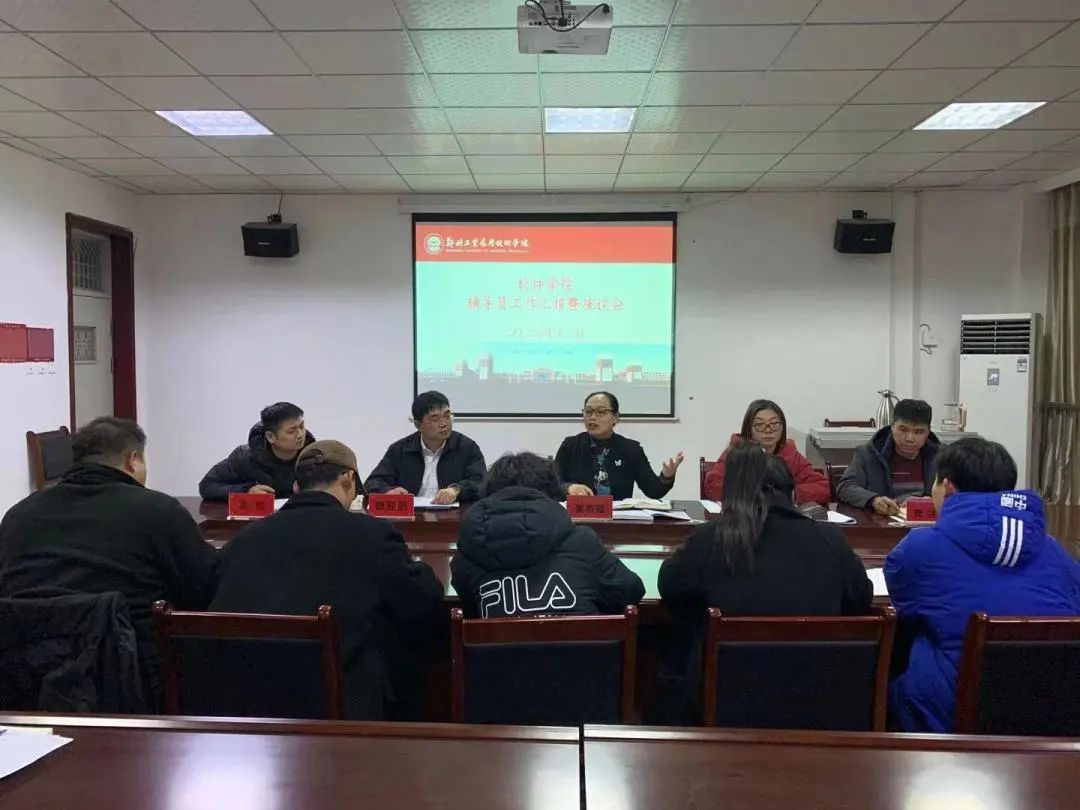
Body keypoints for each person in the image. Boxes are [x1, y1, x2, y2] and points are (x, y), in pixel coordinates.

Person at [210, 440, 444, 720]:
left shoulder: (245, 538)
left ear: (296, 486)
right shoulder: (371, 536)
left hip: (245, 703)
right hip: (337, 708)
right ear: (347, 479)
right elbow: (424, 600)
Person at [0, 417, 218, 699]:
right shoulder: (158, 511)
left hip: (23, 687)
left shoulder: (18, 516)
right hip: (134, 687)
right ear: (132, 460)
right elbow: (204, 593)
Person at [885, 438, 1080, 733]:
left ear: (947, 487)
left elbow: (906, 609)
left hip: (951, 716)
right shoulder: (1055, 550)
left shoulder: (920, 548)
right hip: (1054, 712)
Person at [660, 444, 872, 616]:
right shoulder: (829, 539)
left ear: (732, 496)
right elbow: (860, 598)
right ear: (792, 495)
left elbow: (670, 588)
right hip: (819, 657)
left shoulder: (709, 538)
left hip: (728, 657)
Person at [451, 452, 645, 618]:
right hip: (581, 651)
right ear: (551, 492)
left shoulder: (467, 554)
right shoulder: (582, 542)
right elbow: (630, 590)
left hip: (497, 652)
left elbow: (470, 609)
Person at [556, 391, 684, 500]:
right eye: (588, 411)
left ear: (615, 417)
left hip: (617, 517)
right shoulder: (570, 446)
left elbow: (654, 492)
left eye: (601, 412)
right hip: (578, 516)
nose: (592, 417)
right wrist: (568, 487)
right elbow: (552, 482)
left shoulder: (631, 449)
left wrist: (667, 476)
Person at [365, 391, 486, 504]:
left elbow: (481, 482)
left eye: (447, 416)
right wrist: (388, 491)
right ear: (418, 425)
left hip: (453, 516)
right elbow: (373, 482)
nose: (444, 423)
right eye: (435, 419)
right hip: (411, 516)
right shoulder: (400, 450)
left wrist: (456, 490)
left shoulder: (467, 447)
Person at [703, 399, 831, 505]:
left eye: (774, 424)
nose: (768, 430)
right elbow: (713, 485)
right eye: (760, 425)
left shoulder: (790, 454)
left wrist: (789, 493)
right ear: (748, 429)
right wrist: (755, 493)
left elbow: (823, 488)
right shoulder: (737, 452)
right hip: (745, 519)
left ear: (782, 427)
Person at [837, 399, 940, 516]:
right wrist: (873, 500)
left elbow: (956, 492)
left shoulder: (943, 457)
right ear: (892, 426)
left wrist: (934, 500)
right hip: (882, 522)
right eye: (903, 430)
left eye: (919, 432)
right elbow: (845, 487)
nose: (909, 438)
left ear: (928, 432)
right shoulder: (868, 453)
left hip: (926, 522)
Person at [199, 402, 314, 501]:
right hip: (260, 518)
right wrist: (246, 491)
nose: (300, 434)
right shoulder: (245, 457)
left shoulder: (314, 457)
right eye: (291, 431)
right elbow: (207, 486)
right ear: (270, 437)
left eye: (302, 427)